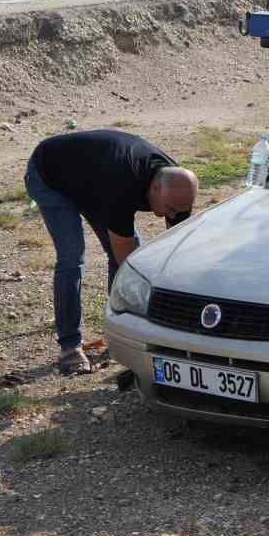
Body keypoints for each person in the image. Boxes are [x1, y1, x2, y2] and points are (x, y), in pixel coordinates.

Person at [24, 129, 199, 374]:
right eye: (169, 209)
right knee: (72, 257)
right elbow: (127, 263)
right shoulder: (121, 187)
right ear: (156, 188)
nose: (172, 215)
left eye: (178, 211)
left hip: (90, 179)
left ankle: (120, 336)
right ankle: (70, 346)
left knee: (135, 259)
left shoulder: (178, 190)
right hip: (49, 172)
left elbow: (176, 251)